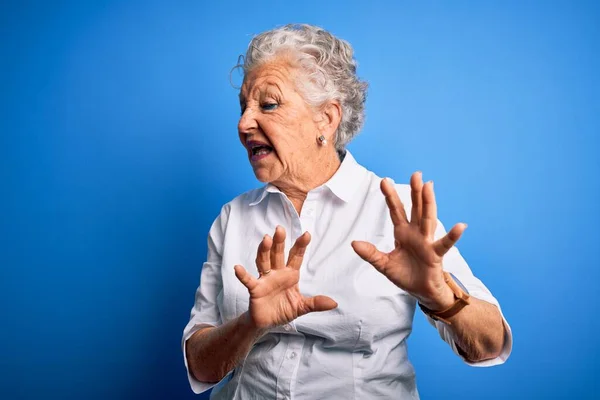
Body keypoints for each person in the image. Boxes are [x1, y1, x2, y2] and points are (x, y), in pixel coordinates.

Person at [182, 24, 512, 399]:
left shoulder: (396, 211)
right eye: (244, 107)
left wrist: (441, 296)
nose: (243, 124)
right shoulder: (233, 218)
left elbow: (491, 343)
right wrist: (250, 323)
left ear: (326, 118)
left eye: (268, 104)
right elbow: (200, 366)